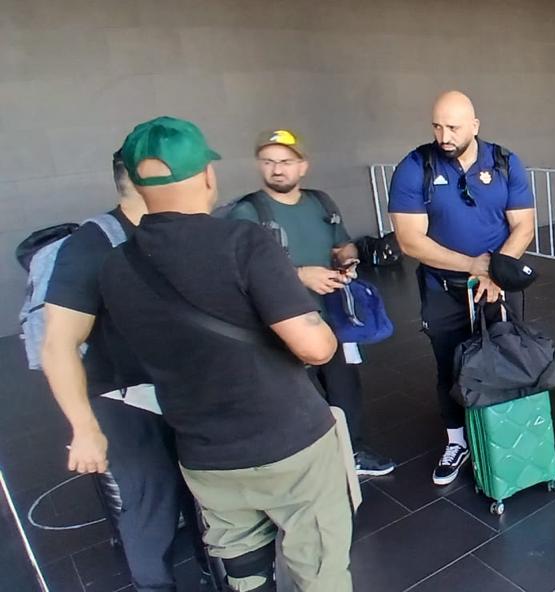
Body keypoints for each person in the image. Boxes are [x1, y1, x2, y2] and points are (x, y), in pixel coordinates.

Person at [100, 116, 357, 591]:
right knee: (319, 563)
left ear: (136, 184)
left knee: (242, 569)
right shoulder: (242, 241)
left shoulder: (115, 266)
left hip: (203, 452)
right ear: (207, 176)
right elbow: (316, 348)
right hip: (287, 441)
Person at [41, 149, 205, 592]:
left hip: (183, 388)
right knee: (150, 501)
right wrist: (84, 427)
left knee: (201, 492)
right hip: (124, 396)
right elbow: (58, 344)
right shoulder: (93, 244)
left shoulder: (176, 230)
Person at [227, 129, 395, 477]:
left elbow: (342, 243)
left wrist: (347, 261)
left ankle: (352, 449)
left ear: (302, 166)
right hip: (280, 320)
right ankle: (307, 467)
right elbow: (240, 271)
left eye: (286, 162)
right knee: (294, 395)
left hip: (331, 314)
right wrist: (301, 275)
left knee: (344, 385)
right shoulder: (248, 213)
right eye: (269, 162)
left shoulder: (321, 203)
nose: (277, 170)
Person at [388, 91, 536, 485]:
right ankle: (457, 441)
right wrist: (471, 266)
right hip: (443, 286)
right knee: (448, 364)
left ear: (475, 126)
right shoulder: (414, 167)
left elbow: (524, 225)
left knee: (507, 357)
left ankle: (509, 432)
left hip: (497, 285)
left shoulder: (504, 162)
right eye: (437, 126)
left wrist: (493, 272)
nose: (444, 135)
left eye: (453, 127)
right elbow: (409, 240)